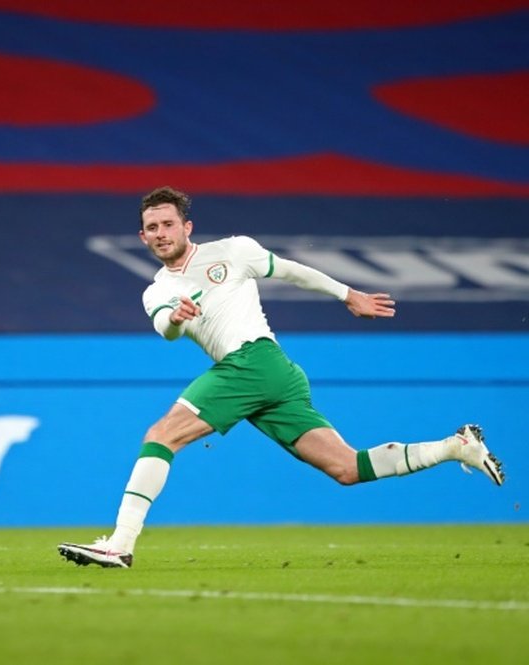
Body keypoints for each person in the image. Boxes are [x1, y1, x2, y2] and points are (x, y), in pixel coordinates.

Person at [57, 185, 505, 569]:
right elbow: (166, 331)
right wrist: (176, 316)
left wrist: (348, 294)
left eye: (168, 224)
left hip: (254, 361)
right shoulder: (157, 289)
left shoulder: (232, 251)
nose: (160, 234)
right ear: (142, 236)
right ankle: (453, 446)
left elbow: (290, 270)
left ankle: (120, 545)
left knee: (161, 436)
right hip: (272, 376)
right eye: (151, 228)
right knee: (346, 468)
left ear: (186, 227)